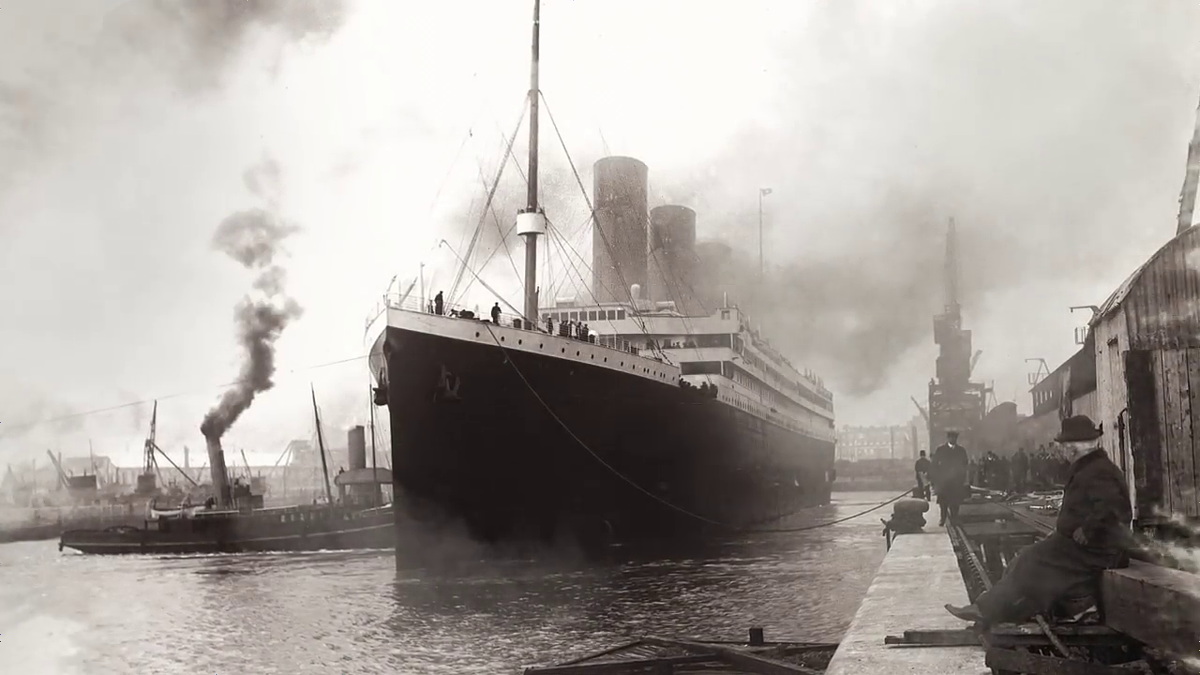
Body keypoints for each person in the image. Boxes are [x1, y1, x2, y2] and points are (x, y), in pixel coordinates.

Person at [945, 415, 1132, 625]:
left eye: (1064, 446)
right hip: (1091, 545)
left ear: (1074, 448)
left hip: (1100, 549)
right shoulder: (1092, 468)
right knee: (1027, 560)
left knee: (1029, 561)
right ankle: (997, 609)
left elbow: (1112, 507)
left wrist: (1087, 529)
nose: (1062, 451)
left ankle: (988, 610)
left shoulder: (1097, 471)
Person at [932, 430, 969, 526]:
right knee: (943, 502)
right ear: (948, 438)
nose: (953, 439)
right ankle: (943, 518)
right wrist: (937, 478)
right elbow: (934, 464)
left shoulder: (961, 450)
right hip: (944, 481)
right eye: (951, 438)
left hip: (956, 481)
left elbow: (965, 464)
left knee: (955, 501)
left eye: (955, 438)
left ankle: (954, 518)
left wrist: (962, 478)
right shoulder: (941, 450)